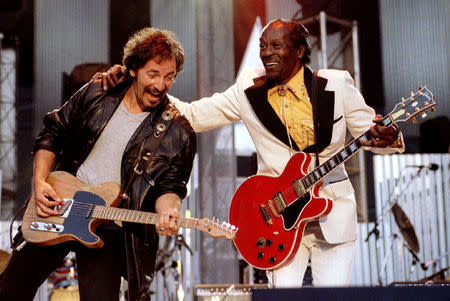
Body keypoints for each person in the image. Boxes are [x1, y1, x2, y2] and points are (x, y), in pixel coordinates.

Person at [100, 19, 403, 288]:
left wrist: (388, 139)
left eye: (276, 45)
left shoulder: (337, 84)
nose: (267, 52)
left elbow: (376, 137)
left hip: (332, 211)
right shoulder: (248, 89)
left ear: (299, 51)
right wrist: (135, 83)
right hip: (273, 217)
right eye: (262, 46)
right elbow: (193, 114)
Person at [0, 27, 196, 301]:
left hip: (111, 224)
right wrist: (41, 181)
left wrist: (170, 211)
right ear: (133, 69)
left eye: (169, 77)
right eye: (153, 74)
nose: (160, 85)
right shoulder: (98, 92)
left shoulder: (178, 131)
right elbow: (53, 132)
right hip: (62, 203)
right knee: (10, 289)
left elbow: (171, 185)